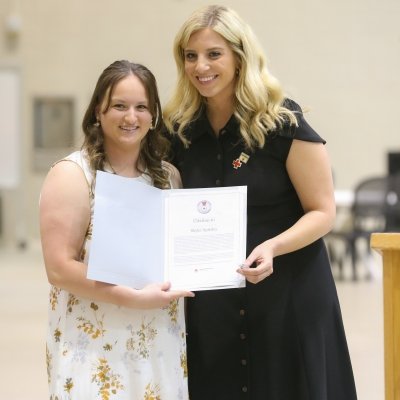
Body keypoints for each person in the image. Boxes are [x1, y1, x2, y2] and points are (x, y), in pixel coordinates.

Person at [163, 5, 358, 400]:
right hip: (214, 306)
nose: (201, 66)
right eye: (191, 55)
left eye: (214, 54)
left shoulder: (282, 121)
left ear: (239, 56)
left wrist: (273, 247)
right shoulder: (178, 131)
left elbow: (323, 211)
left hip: (288, 294)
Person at [39, 60, 194, 400]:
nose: (131, 117)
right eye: (119, 106)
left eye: (141, 107)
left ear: (153, 115)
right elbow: (59, 268)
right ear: (99, 110)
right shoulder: (73, 175)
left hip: (159, 342)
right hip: (95, 346)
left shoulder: (168, 178)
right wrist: (132, 297)